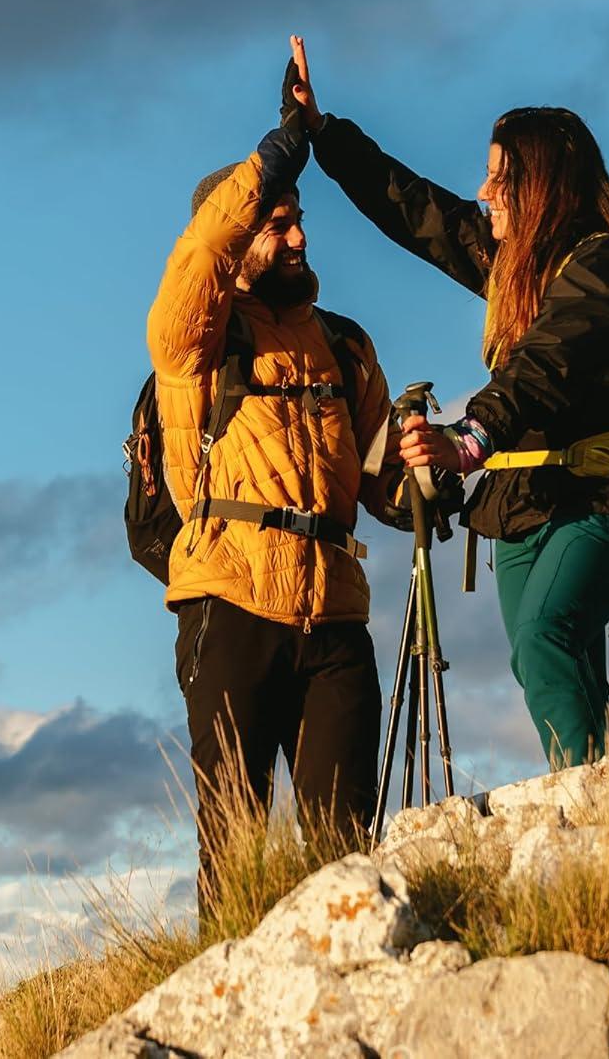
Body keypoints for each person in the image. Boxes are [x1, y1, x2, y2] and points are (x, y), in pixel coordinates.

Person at [291, 50, 609, 770]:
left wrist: (467, 438)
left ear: (544, 186)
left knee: (543, 637)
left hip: (604, 498)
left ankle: (588, 807)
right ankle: (607, 797)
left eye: (501, 178)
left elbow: (547, 362)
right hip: (525, 503)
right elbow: (420, 213)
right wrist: (323, 134)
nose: (483, 190)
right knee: (556, 660)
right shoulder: (520, 263)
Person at [146, 47, 399, 901]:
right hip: (230, 605)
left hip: (335, 618)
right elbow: (201, 257)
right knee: (235, 855)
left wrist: (434, 471)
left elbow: (383, 488)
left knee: (348, 856)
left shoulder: (348, 344)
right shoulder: (196, 344)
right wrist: (282, 147)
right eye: (276, 222)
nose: (296, 236)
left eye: (299, 221)